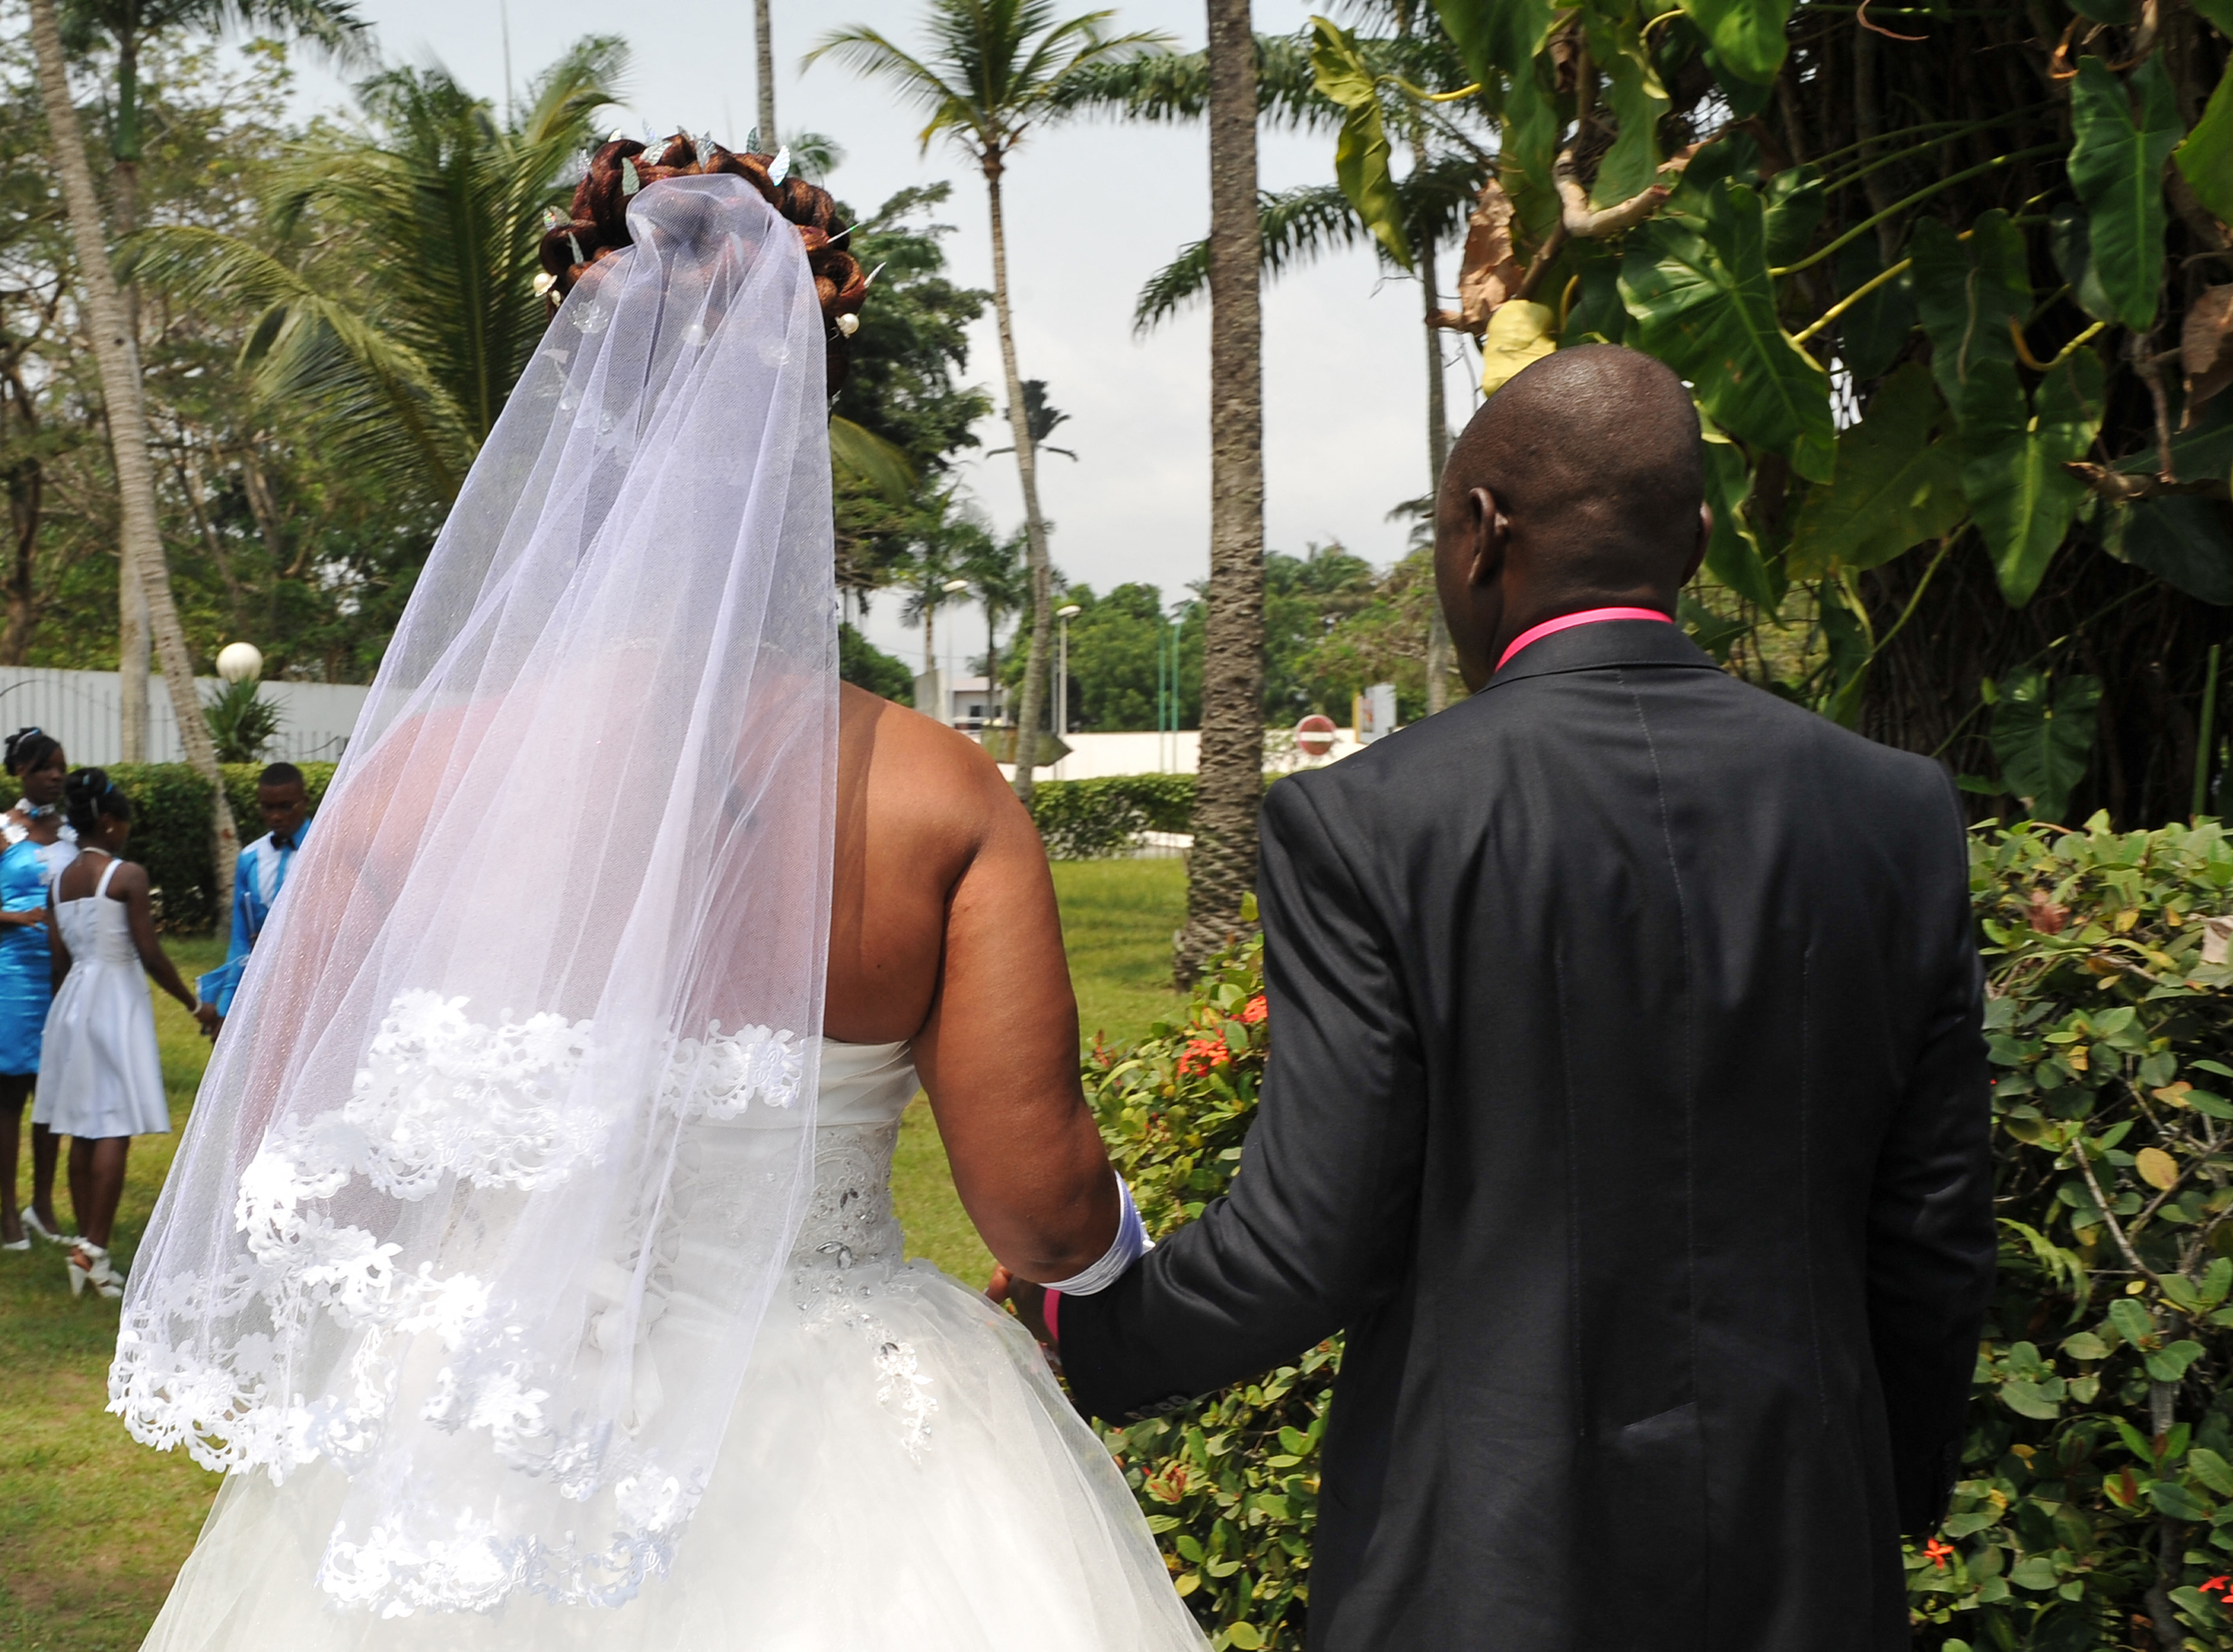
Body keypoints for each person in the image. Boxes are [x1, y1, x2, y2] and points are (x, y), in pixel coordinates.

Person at [123, 146, 1203, 1650]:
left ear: (575, 406)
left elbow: (288, 1164)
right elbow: (1037, 1204)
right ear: (809, 424)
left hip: (468, 1432)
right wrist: (1125, 1267)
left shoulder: (404, 783)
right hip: (836, 1446)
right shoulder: (937, 797)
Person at [1015, 346, 1996, 1651]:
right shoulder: (1895, 810)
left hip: (1481, 1565)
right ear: (1698, 539)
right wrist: (1882, 1490)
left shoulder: (1369, 820)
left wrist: (1076, 1331)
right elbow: (1933, 1225)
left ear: (1480, 532)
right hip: (1805, 1548)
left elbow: (1306, 1246)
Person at [35, 769, 204, 1299]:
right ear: (110, 822)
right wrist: (195, 1004)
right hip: (115, 999)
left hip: (72, 1001)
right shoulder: (126, 875)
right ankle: (93, 1248)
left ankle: (88, 1248)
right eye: (125, 824)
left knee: (81, 1124)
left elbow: (57, 962)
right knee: (113, 1125)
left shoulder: (58, 882)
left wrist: (65, 1015)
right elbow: (150, 954)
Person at [0, 727, 77, 1249]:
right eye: (46, 767)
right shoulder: (4, 829)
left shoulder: (73, 832)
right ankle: (6, 1211)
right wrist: (15, 916)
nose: (56, 776)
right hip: (13, 979)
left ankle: (42, 1204)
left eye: (61, 768)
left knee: (52, 1095)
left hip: (66, 977)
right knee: (10, 1096)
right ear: (20, 771)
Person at [194, 760, 315, 1031]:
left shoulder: (325, 848)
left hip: (312, 980)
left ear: (305, 802)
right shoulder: (250, 858)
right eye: (267, 808)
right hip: (265, 982)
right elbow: (240, 940)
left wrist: (282, 939)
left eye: (286, 806)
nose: (277, 816)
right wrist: (226, 1007)